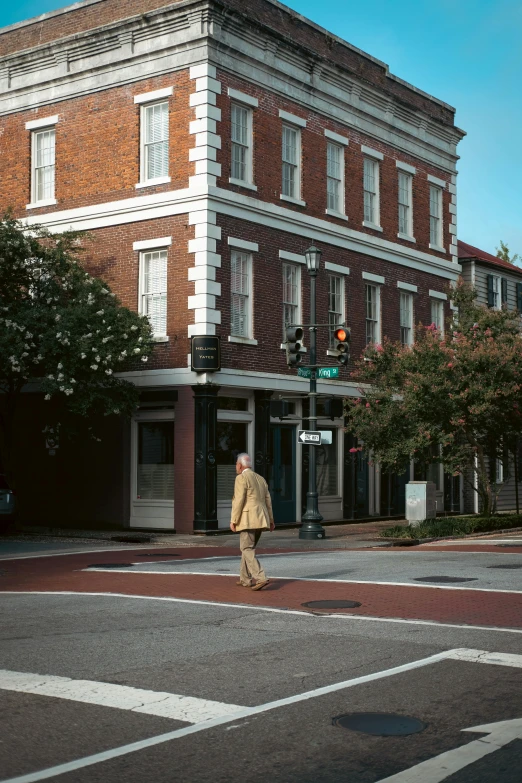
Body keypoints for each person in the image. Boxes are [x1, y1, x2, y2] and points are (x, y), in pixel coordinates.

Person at [230, 452, 275, 590]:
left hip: (247, 518)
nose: (236, 467)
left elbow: (239, 500)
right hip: (261, 518)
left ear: (239, 465)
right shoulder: (260, 479)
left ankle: (260, 577)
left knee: (246, 548)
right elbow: (268, 501)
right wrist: (271, 520)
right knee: (248, 548)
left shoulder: (241, 478)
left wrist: (234, 520)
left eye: (236, 465)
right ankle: (245, 579)